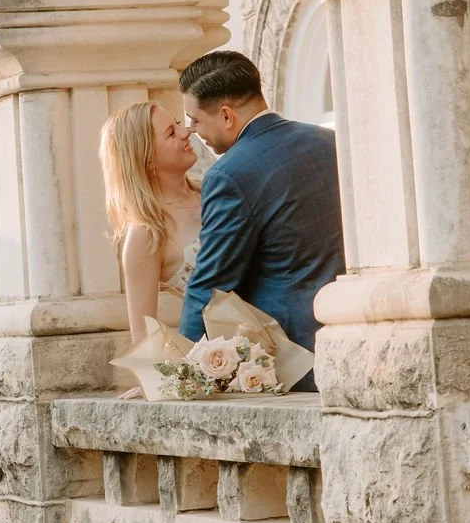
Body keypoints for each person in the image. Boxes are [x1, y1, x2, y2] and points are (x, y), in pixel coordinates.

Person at [178, 50, 344, 389]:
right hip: (352, 335)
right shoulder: (331, 143)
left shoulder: (228, 175)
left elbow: (211, 285)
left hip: (291, 359)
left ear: (226, 115)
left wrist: (182, 372)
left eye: (194, 120)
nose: (193, 131)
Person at [99, 101, 203, 345]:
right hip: (232, 358)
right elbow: (144, 334)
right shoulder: (146, 234)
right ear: (146, 158)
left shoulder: (217, 191)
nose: (186, 132)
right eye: (171, 132)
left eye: (178, 124)